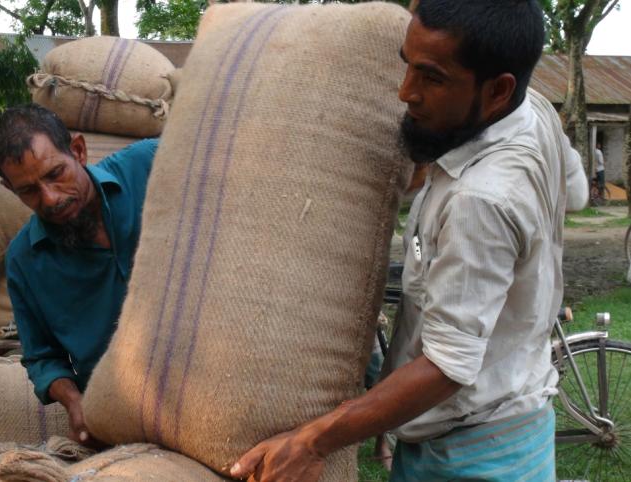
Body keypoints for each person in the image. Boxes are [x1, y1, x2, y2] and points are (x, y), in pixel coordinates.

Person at [231, 1, 565, 480]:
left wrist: (312, 442)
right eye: (407, 65)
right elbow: (571, 191)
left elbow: (447, 366)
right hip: (507, 425)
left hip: (471, 458)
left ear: (497, 91)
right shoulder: (534, 112)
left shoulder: (480, 200)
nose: (406, 92)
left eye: (431, 78)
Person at [0, 104, 158, 446]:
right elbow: (42, 358)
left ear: (78, 151)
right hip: (120, 412)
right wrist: (74, 402)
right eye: (28, 190)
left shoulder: (149, 165)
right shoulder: (24, 262)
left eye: (55, 174)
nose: (51, 199)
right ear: (9, 188)